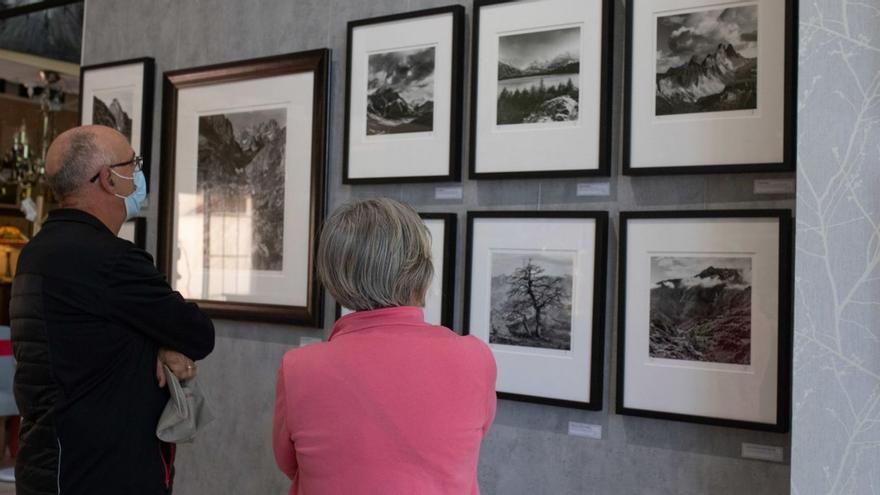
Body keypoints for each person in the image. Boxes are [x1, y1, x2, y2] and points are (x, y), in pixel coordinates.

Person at [11, 125, 215, 495]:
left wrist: (157, 343)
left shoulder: (37, 252)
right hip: (100, 471)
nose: (138, 174)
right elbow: (198, 333)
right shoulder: (111, 260)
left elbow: (86, 341)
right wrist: (164, 342)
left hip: (48, 463)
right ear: (108, 178)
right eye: (132, 164)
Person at [273, 198, 497, 495]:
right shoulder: (475, 358)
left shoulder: (299, 368)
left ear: (335, 273)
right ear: (421, 268)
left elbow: (289, 463)